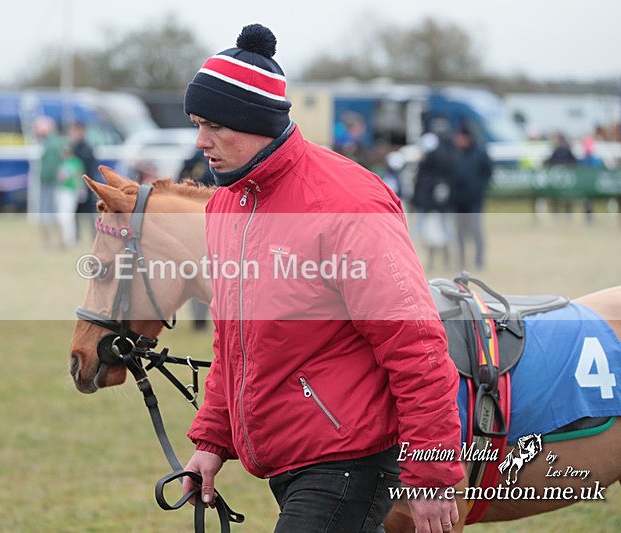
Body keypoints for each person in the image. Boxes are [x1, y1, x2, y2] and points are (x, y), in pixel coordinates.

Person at [180, 24, 463, 532]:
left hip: (349, 457)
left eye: (215, 126)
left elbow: (414, 342)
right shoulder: (225, 204)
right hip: (291, 457)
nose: (201, 141)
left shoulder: (347, 202)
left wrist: (432, 477)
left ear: (257, 122)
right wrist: (212, 442)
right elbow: (234, 339)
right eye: (198, 123)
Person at [411, 131, 456, 271]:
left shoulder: (431, 173)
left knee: (437, 235)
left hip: (433, 208)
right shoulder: (441, 168)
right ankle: (436, 263)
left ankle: (443, 263)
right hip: (433, 207)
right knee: (434, 236)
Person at [450, 126, 493, 270]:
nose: (457, 141)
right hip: (457, 202)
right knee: (460, 233)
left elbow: (488, 172)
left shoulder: (479, 154)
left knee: (476, 231)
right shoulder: (454, 154)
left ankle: (479, 261)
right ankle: (461, 261)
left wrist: (480, 187)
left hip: (474, 200)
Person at [67, 121, 100, 243]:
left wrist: (88, 184)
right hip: (74, 186)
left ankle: (95, 238)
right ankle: (76, 238)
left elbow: (91, 169)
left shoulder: (87, 149)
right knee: (74, 212)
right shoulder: (72, 148)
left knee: (91, 213)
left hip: (86, 185)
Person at [35, 116, 64, 248]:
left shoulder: (51, 144)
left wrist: (45, 178)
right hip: (52, 183)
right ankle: (56, 241)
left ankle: (51, 242)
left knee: (48, 213)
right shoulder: (52, 142)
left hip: (49, 183)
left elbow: (50, 167)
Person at [54, 144, 83, 248]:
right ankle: (65, 239)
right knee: (63, 217)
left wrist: (80, 190)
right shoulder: (63, 162)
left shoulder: (74, 162)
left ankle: (69, 240)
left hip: (71, 191)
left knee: (67, 217)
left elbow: (75, 176)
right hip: (63, 190)